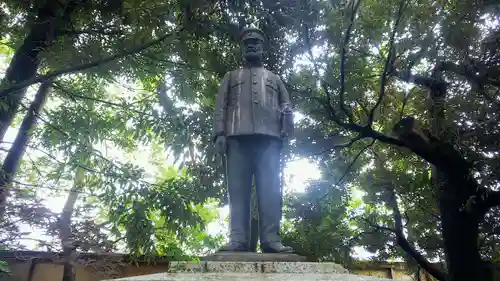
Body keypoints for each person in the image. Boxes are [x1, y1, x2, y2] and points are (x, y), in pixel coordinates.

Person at [212, 27, 294, 253]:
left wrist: (287, 123)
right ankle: (238, 239)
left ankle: (271, 239)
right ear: (241, 48)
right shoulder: (230, 77)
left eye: (256, 42)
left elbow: (286, 104)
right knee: (238, 191)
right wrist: (219, 133)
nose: (251, 45)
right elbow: (221, 106)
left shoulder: (275, 79)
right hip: (237, 138)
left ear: (263, 48)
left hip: (269, 140)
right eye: (247, 43)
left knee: (270, 189)